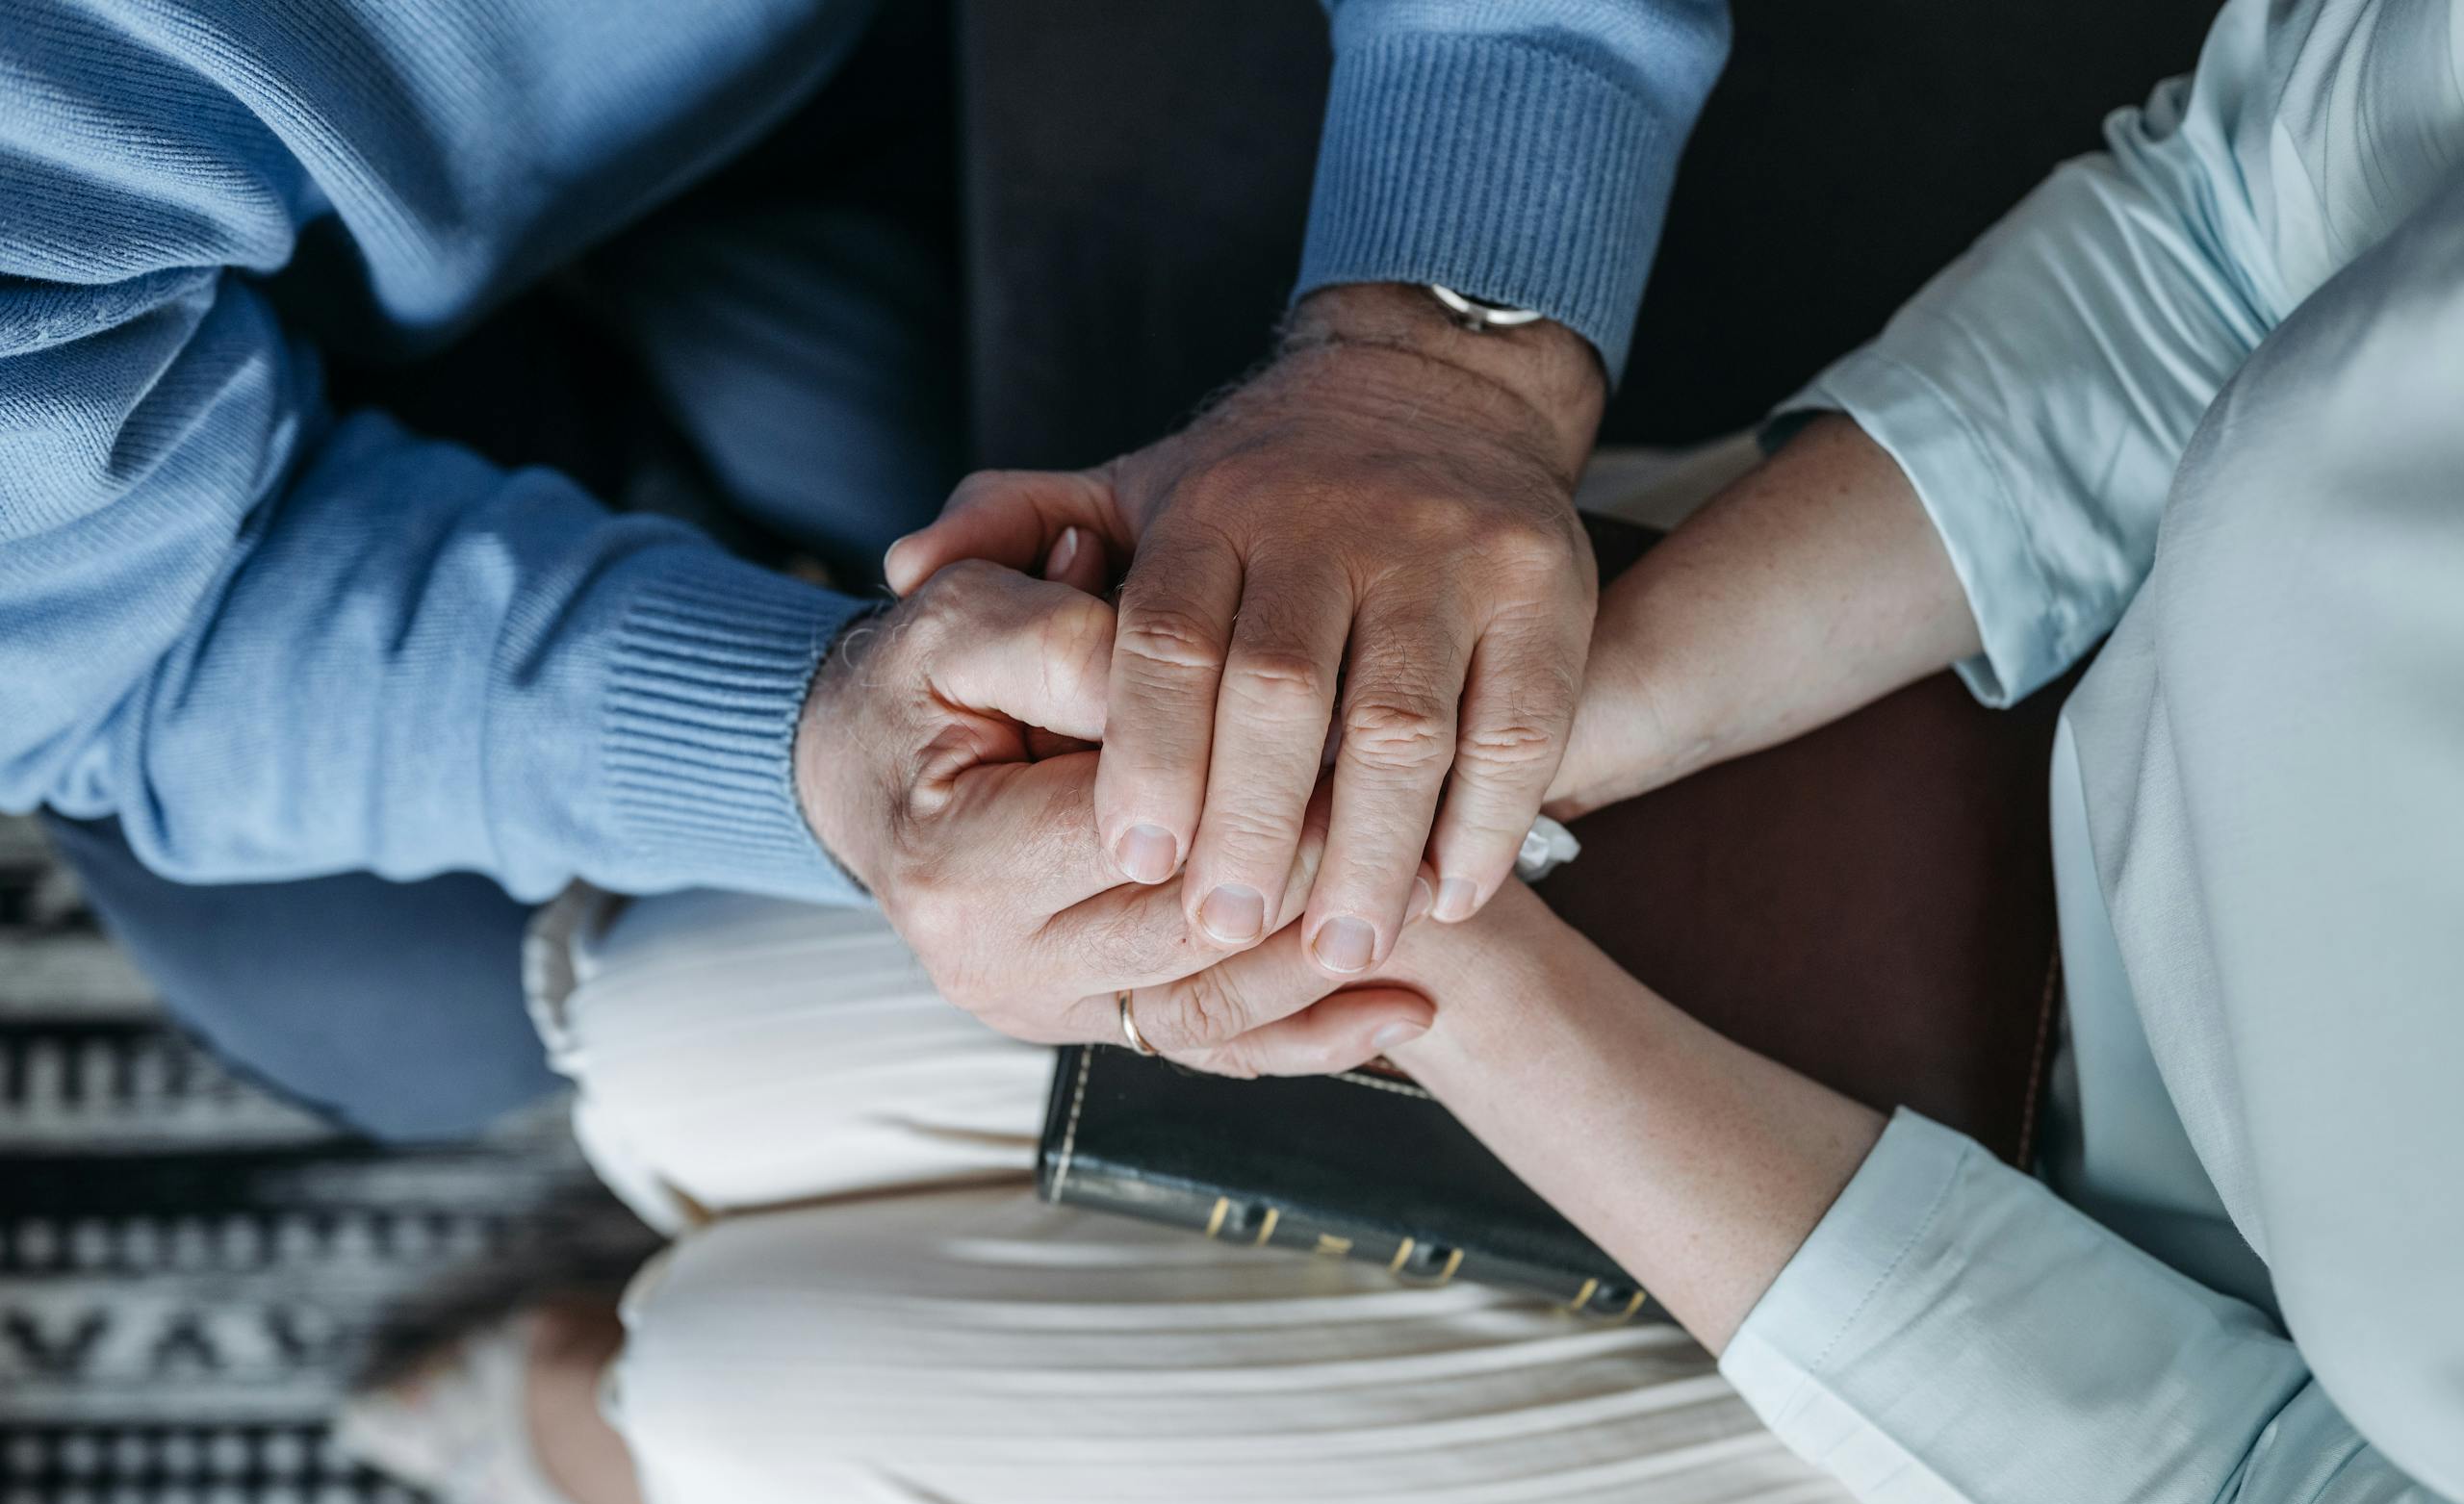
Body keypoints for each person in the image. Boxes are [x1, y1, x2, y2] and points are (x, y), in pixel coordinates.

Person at [350, 0, 2464, 1504]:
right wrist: (1551, 729)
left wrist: (1441, 958)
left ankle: (662, 1464)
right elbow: (2231, 236)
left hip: (2141, 1443)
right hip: (1960, 677)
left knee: (757, 1413)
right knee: (674, 1027)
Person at [0, 0, 1727, 1134]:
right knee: (400, 1003)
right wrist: (815, 753)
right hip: (154, 442)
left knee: (1012, 495)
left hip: (823, 65)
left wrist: (1438, 351)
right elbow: (140, 659)